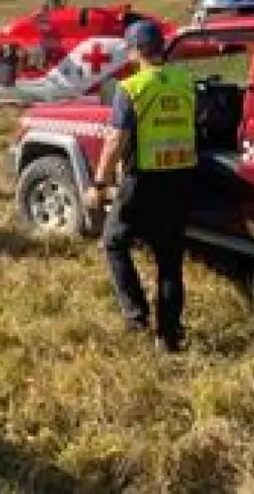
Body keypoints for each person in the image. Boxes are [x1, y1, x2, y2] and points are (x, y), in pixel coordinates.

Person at [84, 21, 197, 353]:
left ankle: (136, 316)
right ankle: (170, 336)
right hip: (181, 176)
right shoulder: (184, 80)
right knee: (170, 260)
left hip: (144, 179)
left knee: (113, 242)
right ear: (161, 47)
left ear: (135, 51)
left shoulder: (132, 87)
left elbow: (115, 140)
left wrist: (100, 184)